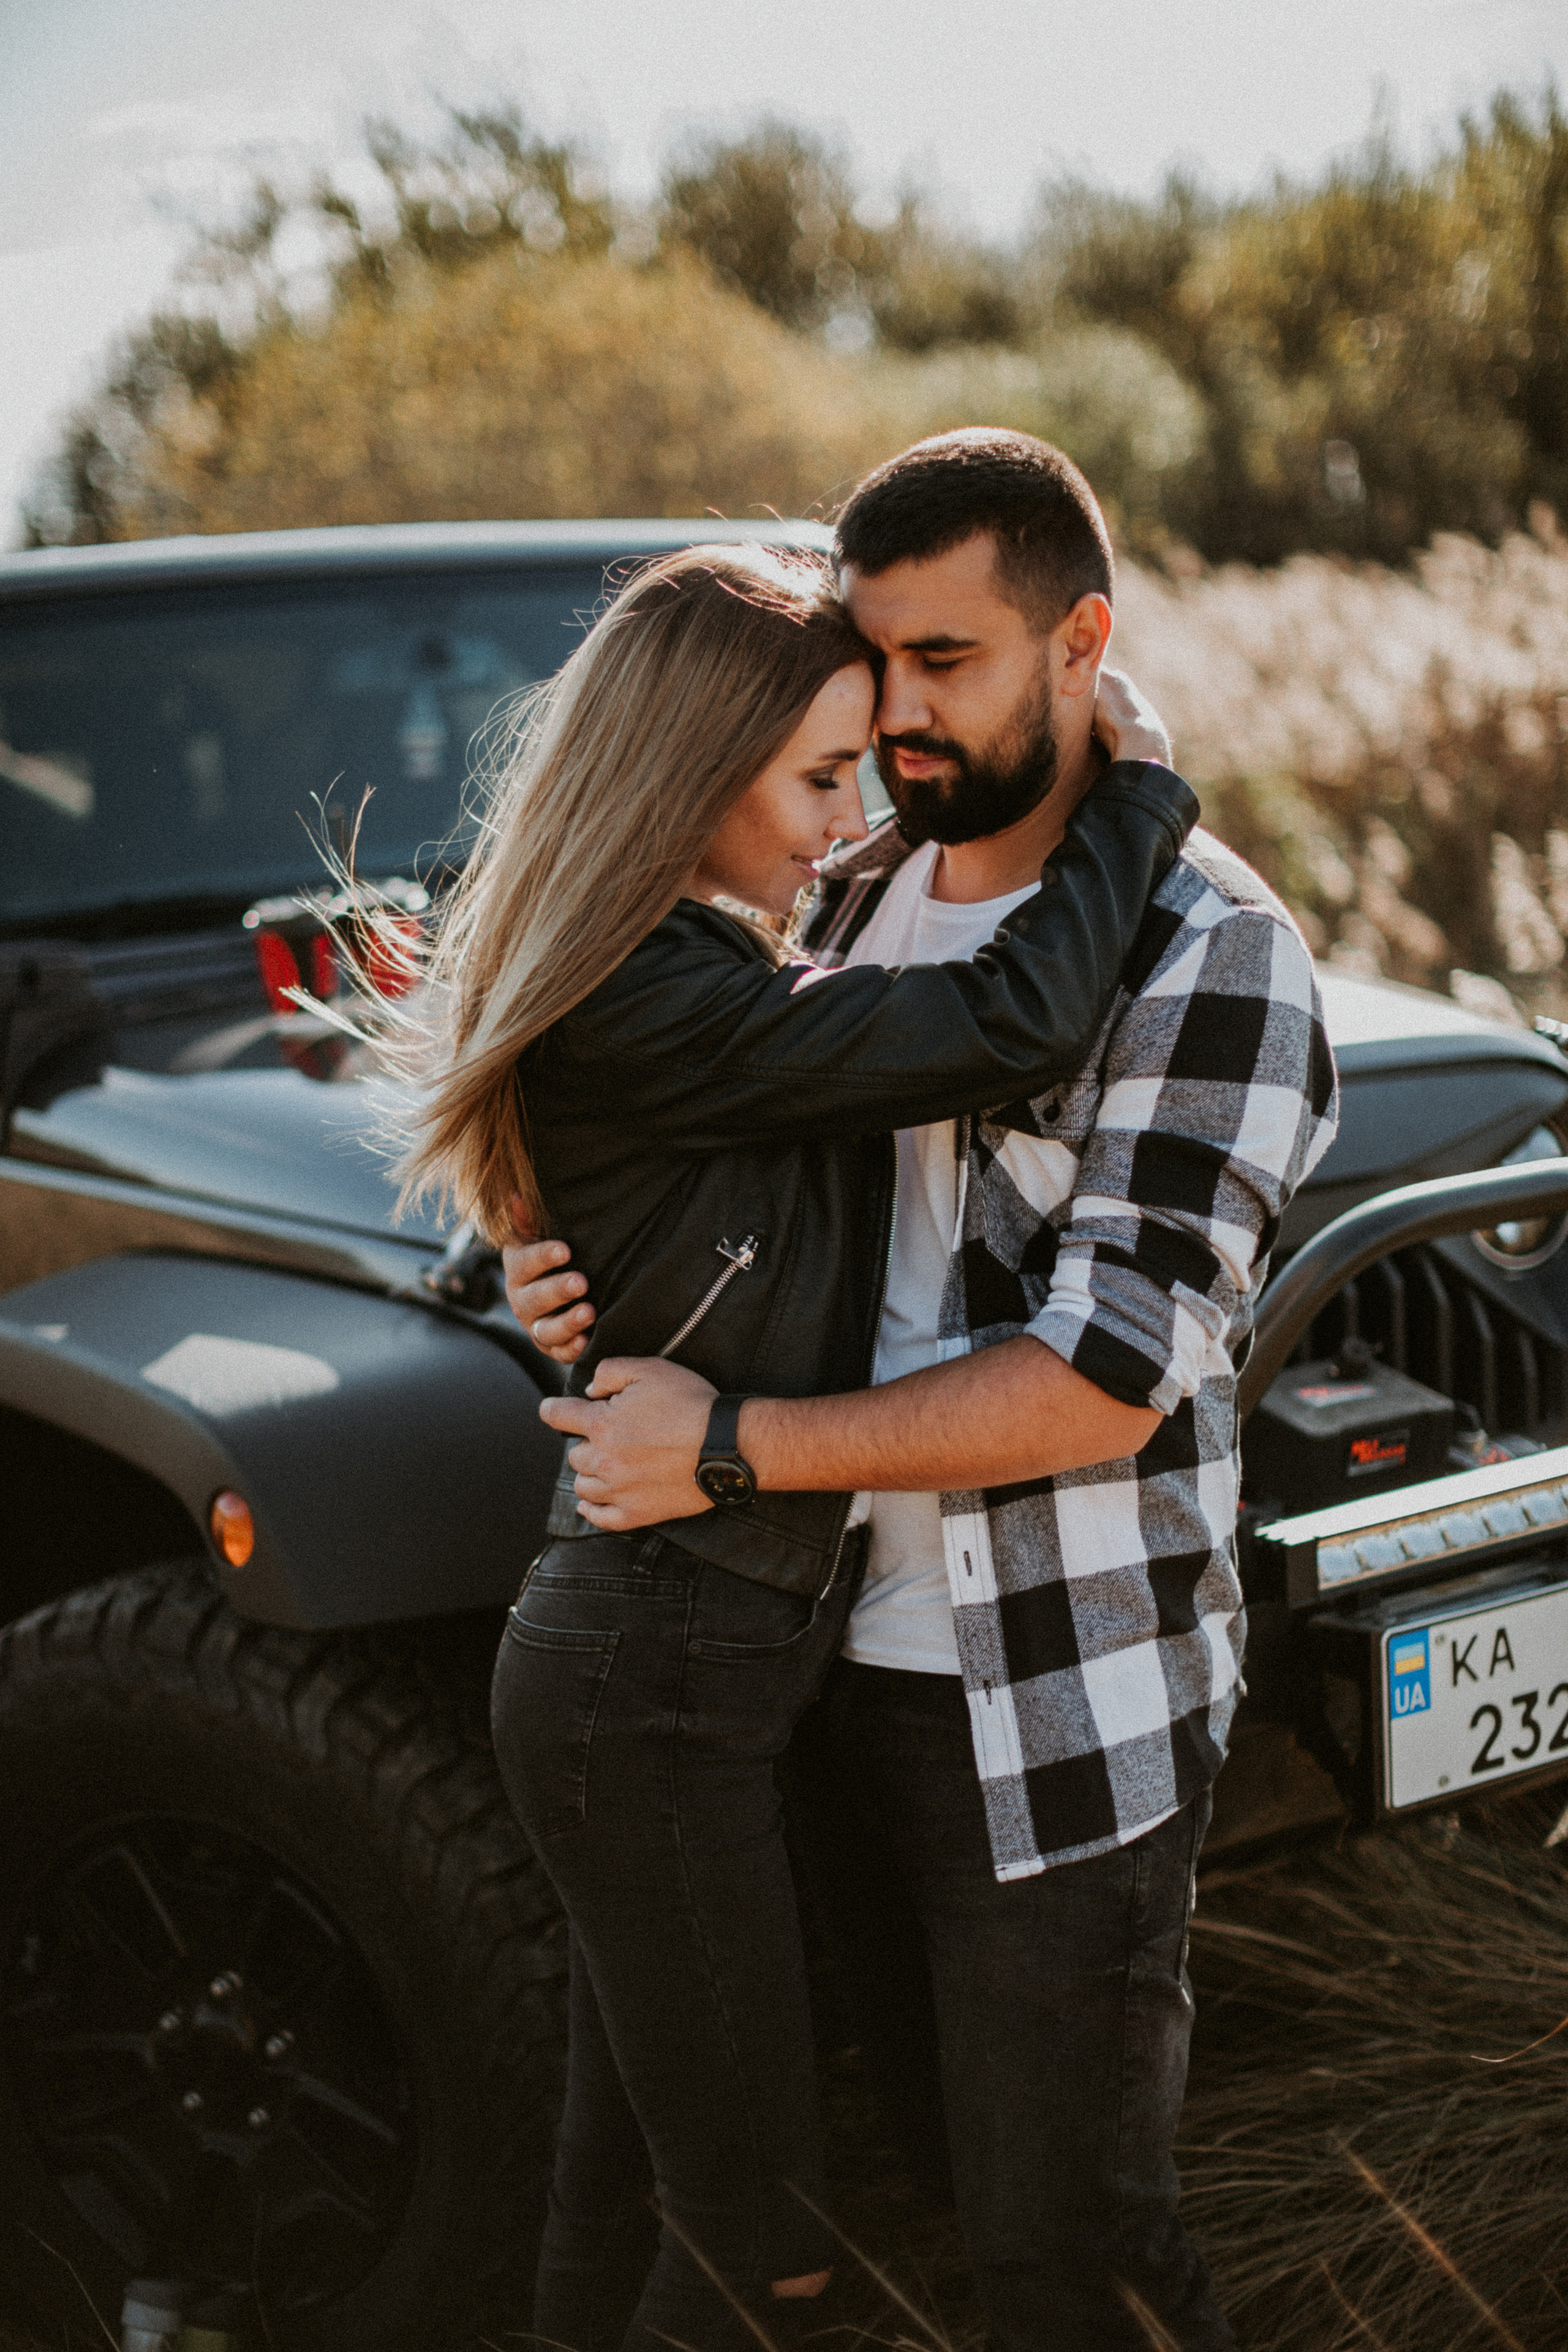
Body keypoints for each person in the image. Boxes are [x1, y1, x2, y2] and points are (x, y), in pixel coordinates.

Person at [506, 430, 1340, 2352]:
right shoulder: (843, 886)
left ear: (1082, 646)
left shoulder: (1212, 956)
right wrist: (564, 1275)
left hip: (1039, 1704)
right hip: (778, 1677)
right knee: (849, 2226)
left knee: (1069, 2257)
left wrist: (727, 1448)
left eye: (946, 660)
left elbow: (1099, 1387)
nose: (893, 716)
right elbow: (713, 1181)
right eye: (873, 661)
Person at [390, 532, 1196, 2352]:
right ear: (689, 777)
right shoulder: (659, 987)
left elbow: (647, 1199)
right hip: (652, 1691)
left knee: (626, 2188)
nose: (852, 824)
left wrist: (552, 1263)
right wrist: (1141, 797)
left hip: (674, 1674)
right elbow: (1012, 1020)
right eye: (822, 779)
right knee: (773, 2255)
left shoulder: (695, 960)